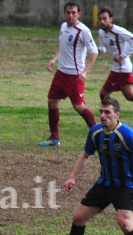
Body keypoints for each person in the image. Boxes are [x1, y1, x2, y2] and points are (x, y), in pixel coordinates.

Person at [45, 97, 133, 235]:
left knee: (125, 223)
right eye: (101, 112)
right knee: (79, 217)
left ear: (117, 115)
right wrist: (72, 177)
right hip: (104, 184)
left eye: (107, 112)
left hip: (126, 186)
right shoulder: (95, 132)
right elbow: (86, 155)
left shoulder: (127, 135)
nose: (102, 115)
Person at [39, 2, 98, 147]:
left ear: (79, 14)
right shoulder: (63, 27)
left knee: (79, 107)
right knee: (52, 102)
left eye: (74, 13)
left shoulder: (83, 31)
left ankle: (99, 137)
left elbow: (94, 52)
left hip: (75, 76)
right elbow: (62, 45)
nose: (71, 15)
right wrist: (54, 59)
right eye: (68, 12)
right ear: (64, 13)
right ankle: (54, 138)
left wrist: (85, 72)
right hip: (61, 73)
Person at [97, 6, 133, 102]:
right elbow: (103, 48)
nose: (102, 21)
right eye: (100, 19)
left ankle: (109, 114)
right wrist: (96, 51)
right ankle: (110, 113)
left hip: (122, 69)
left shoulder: (118, 31)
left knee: (104, 94)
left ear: (111, 19)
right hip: (116, 68)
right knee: (129, 96)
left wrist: (122, 56)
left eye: (105, 19)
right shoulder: (101, 32)